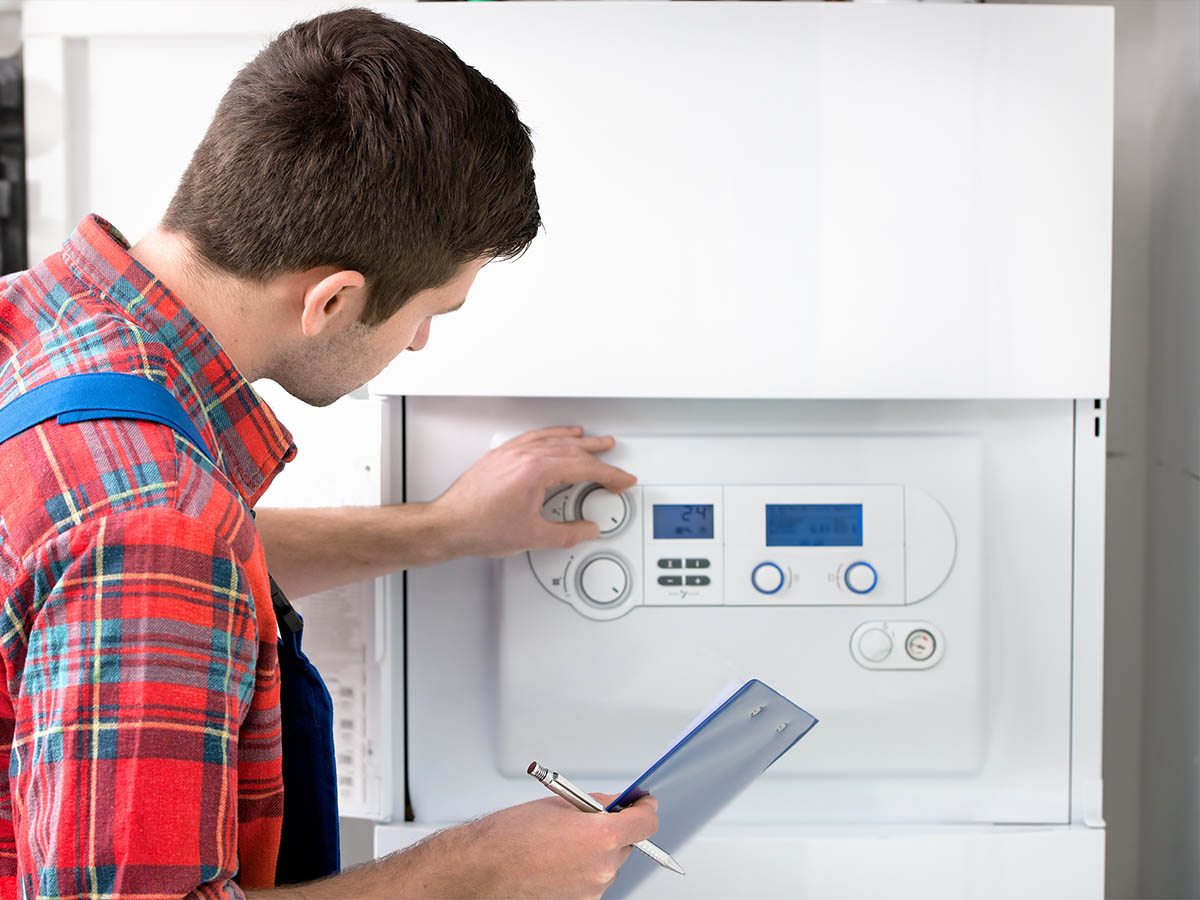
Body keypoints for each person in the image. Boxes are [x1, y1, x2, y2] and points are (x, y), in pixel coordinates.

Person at [0, 7, 656, 899]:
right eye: (430, 311)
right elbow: (151, 552)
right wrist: (476, 874)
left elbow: (95, 565)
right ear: (334, 301)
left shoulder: (38, 318)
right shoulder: (158, 527)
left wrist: (442, 529)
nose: (419, 343)